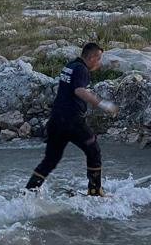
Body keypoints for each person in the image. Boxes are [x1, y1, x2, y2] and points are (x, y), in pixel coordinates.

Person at [25, 43, 118, 196]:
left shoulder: (70, 66)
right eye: (99, 59)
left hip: (56, 120)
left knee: (50, 160)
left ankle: (28, 192)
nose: (99, 63)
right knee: (94, 151)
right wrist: (102, 104)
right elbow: (79, 90)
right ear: (92, 57)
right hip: (72, 121)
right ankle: (95, 191)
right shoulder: (82, 69)